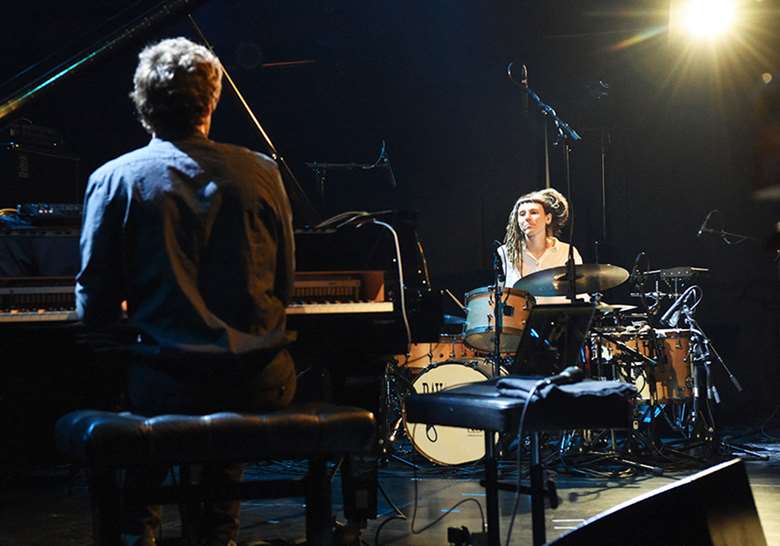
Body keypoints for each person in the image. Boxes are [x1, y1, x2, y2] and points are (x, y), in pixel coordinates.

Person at [75, 37, 296, 546]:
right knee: (222, 390)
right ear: (212, 100)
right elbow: (282, 287)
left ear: (141, 102)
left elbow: (95, 308)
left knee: (140, 381)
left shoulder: (114, 179)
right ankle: (219, 533)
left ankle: (138, 530)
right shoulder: (263, 172)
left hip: (163, 386)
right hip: (258, 382)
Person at [498, 187, 584, 304]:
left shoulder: (567, 251)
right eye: (522, 214)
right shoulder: (504, 252)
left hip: (560, 318)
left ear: (548, 218)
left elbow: (581, 292)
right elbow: (500, 295)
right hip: (520, 320)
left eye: (533, 212)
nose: (527, 218)